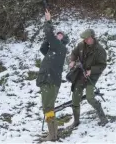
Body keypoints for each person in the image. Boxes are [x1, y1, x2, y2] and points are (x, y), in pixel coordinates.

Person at [36, 10, 69, 141]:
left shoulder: (60, 48)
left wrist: (48, 21)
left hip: (50, 82)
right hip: (46, 80)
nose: (58, 36)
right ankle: (53, 133)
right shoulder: (52, 50)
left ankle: (52, 135)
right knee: (48, 107)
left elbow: (50, 36)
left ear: (63, 40)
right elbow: (43, 48)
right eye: (57, 34)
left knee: (48, 107)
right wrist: (48, 38)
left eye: (60, 35)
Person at [68, 28, 108, 129]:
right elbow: (74, 53)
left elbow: (102, 65)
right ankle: (76, 121)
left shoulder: (100, 50)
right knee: (75, 98)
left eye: (87, 38)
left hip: (92, 76)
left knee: (90, 98)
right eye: (85, 39)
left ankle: (103, 118)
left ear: (92, 37)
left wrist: (91, 71)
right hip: (81, 74)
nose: (86, 40)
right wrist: (72, 60)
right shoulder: (81, 45)